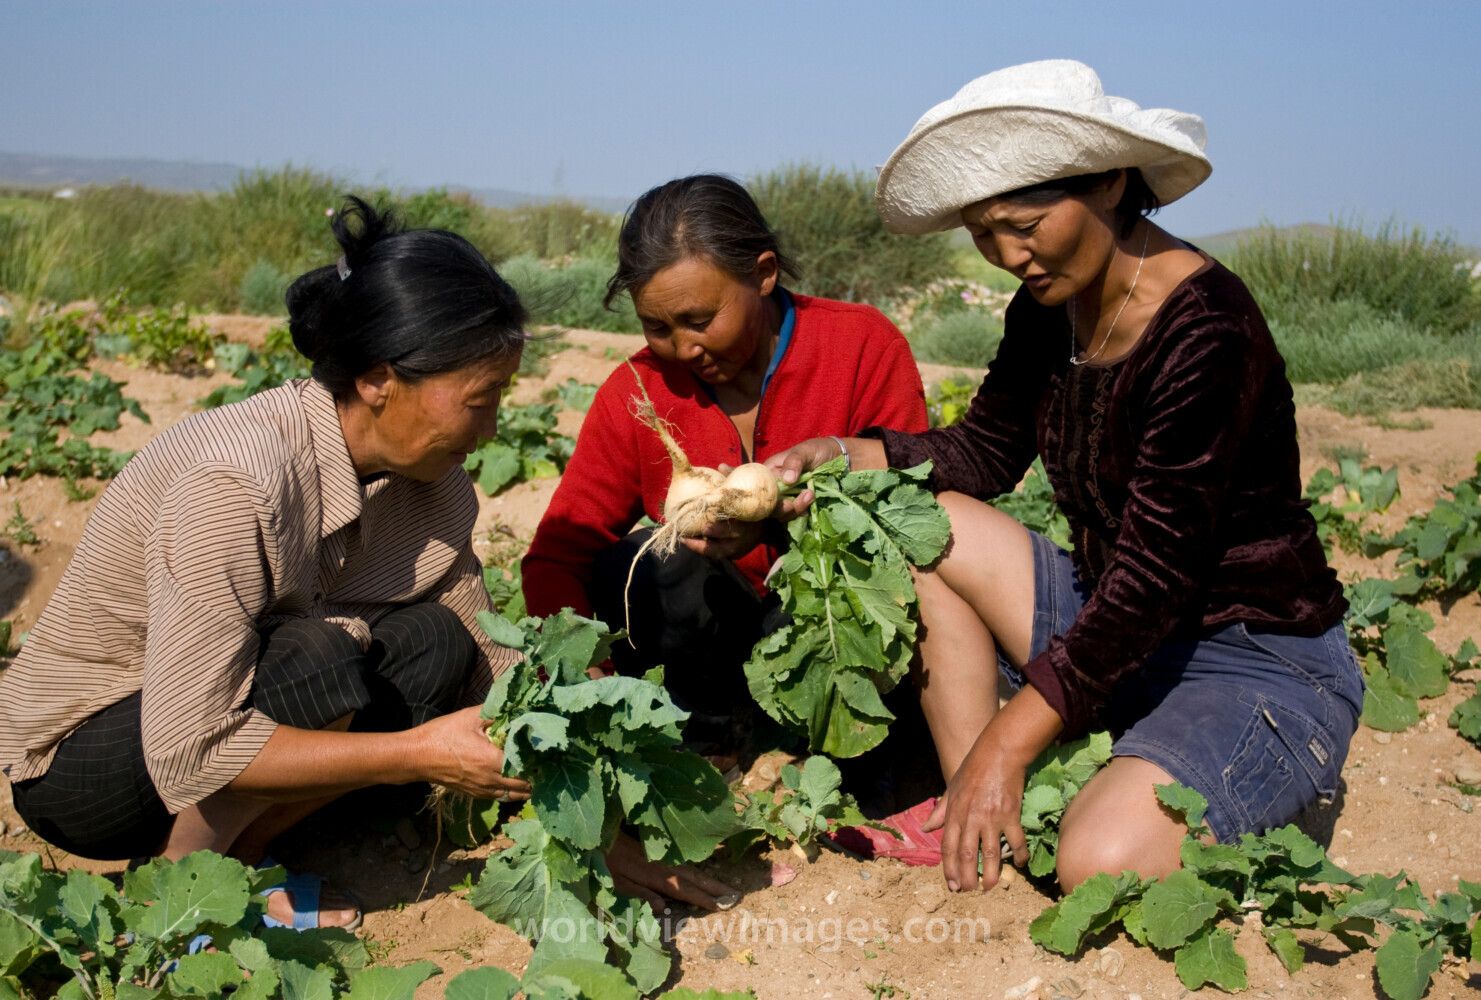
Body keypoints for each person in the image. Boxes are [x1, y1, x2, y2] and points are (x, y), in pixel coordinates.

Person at [0, 197, 732, 927]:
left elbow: (487, 652)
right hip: (87, 763)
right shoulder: (236, 480)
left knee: (436, 642)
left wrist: (588, 820)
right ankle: (181, 891)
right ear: (381, 379)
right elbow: (189, 748)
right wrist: (416, 754)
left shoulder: (431, 481)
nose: (491, 428)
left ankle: (245, 852)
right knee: (319, 660)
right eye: (480, 401)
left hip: (223, 708)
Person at [769, 60, 1360, 893]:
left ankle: (1269, 777)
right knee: (916, 525)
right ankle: (972, 811)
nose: (1009, 256)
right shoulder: (1050, 308)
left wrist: (1008, 741)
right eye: (984, 233)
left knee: (1095, 863)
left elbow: (1154, 578)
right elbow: (981, 453)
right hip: (1116, 625)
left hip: (1251, 654)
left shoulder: (1208, 331)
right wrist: (839, 453)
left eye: (1026, 224)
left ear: (1111, 182)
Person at [523, 174, 928, 741]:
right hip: (708, 647)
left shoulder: (861, 346)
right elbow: (557, 556)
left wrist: (774, 530)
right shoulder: (637, 390)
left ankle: (823, 744)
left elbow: (912, 516)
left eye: (700, 320)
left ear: (764, 274)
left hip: (831, 636)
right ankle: (706, 741)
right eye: (657, 327)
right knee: (650, 560)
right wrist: (580, 670)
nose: (684, 348)